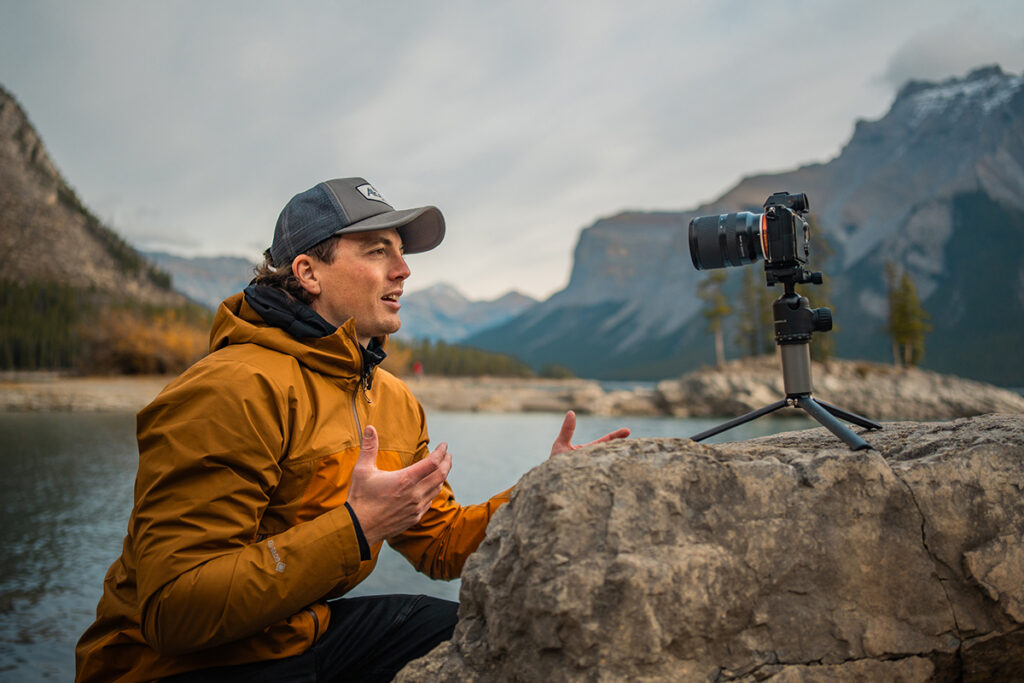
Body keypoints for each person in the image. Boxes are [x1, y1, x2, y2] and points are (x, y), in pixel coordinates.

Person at [75, 177, 630, 682]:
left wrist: (544, 490)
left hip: (297, 637)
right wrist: (357, 526)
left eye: (402, 252)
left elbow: (440, 545)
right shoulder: (231, 388)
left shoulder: (389, 399)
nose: (404, 269)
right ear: (308, 272)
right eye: (376, 251)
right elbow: (175, 612)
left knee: (473, 633)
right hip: (169, 666)